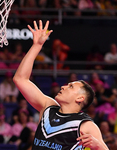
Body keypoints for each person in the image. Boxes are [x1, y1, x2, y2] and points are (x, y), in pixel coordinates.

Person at [13, 20, 108, 150]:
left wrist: (99, 147)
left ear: (80, 98)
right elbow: (20, 79)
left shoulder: (85, 125)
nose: (63, 86)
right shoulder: (48, 107)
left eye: (71, 87)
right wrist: (37, 46)